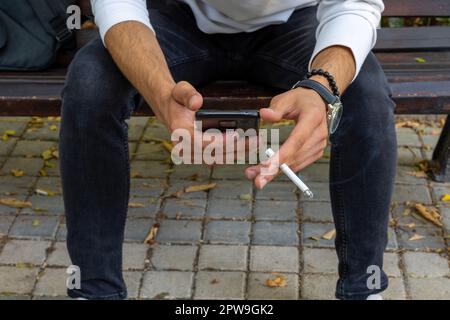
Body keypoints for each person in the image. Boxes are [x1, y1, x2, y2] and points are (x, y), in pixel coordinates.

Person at [60, 0, 396, 300]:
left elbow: (353, 4)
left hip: (293, 24)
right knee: (91, 83)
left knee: (366, 92)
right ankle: (94, 288)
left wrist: (321, 89)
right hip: (181, 17)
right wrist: (161, 93)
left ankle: (361, 288)